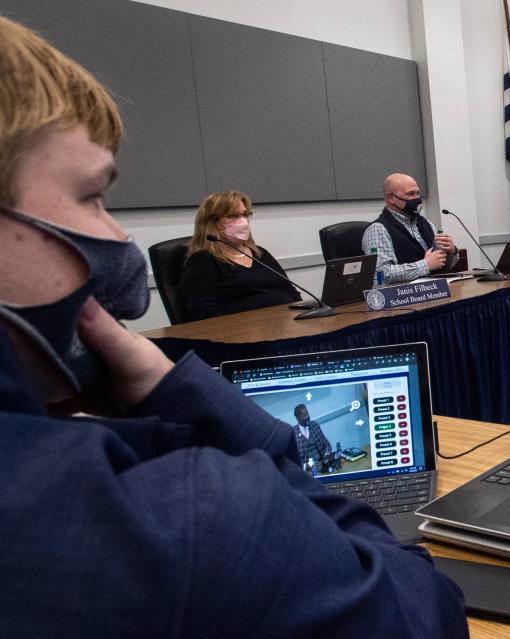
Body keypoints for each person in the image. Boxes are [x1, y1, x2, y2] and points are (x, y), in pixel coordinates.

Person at [0, 16, 467, 637]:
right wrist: (209, 414)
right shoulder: (189, 519)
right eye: (91, 198)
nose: (117, 238)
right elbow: (424, 610)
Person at [178, 191, 301, 321]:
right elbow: (203, 312)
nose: (242, 221)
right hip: (243, 334)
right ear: (212, 222)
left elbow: (291, 292)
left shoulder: (259, 253)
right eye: (233, 215)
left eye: (245, 214)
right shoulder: (203, 260)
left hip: (285, 324)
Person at [361, 173, 458, 284]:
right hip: (403, 297)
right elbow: (381, 273)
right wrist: (425, 265)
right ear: (391, 198)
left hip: (434, 290)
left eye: (418, 193)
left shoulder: (426, 223)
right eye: (411, 194)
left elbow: (442, 265)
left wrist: (451, 252)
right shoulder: (378, 230)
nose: (417, 199)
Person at [293, 404, 335, 472]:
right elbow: (292, 461)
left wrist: (326, 455)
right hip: (306, 472)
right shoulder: (293, 434)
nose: (308, 417)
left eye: (307, 414)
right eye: (304, 415)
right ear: (298, 418)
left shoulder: (314, 425)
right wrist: (306, 466)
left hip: (323, 465)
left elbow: (327, 444)